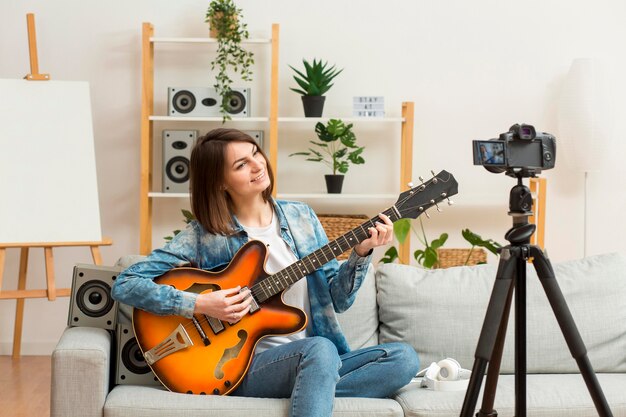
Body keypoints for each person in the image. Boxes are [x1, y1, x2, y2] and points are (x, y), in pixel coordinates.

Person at [111, 128, 419, 417]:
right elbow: (126, 283)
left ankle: (312, 387)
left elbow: (339, 300)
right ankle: (312, 385)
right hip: (242, 367)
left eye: (256, 153)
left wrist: (361, 253)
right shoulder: (203, 235)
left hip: (314, 358)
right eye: (241, 164)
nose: (258, 165)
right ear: (220, 182)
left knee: (403, 359)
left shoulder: (301, 216)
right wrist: (200, 304)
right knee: (320, 350)